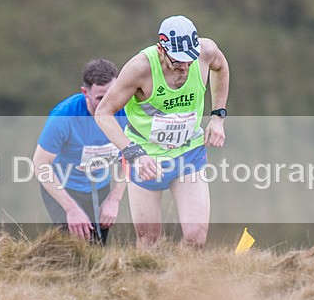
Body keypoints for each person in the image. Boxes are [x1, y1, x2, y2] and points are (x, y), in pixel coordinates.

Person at [95, 15, 229, 248]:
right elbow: (103, 113)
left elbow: (222, 68)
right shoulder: (139, 68)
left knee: (196, 237)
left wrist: (218, 116)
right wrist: (133, 153)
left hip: (188, 154)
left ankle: (183, 284)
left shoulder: (206, 51)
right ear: (161, 50)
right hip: (146, 160)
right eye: (177, 61)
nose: (184, 67)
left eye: (189, 59)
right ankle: (148, 283)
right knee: (149, 241)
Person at [33, 59, 127, 245]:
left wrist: (114, 199)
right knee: (71, 246)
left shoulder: (125, 111)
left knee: (96, 248)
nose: (108, 104)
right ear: (85, 93)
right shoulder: (64, 116)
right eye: (100, 98)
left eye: (112, 95)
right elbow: (40, 164)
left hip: (99, 186)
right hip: (63, 187)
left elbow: (129, 157)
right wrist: (70, 209)